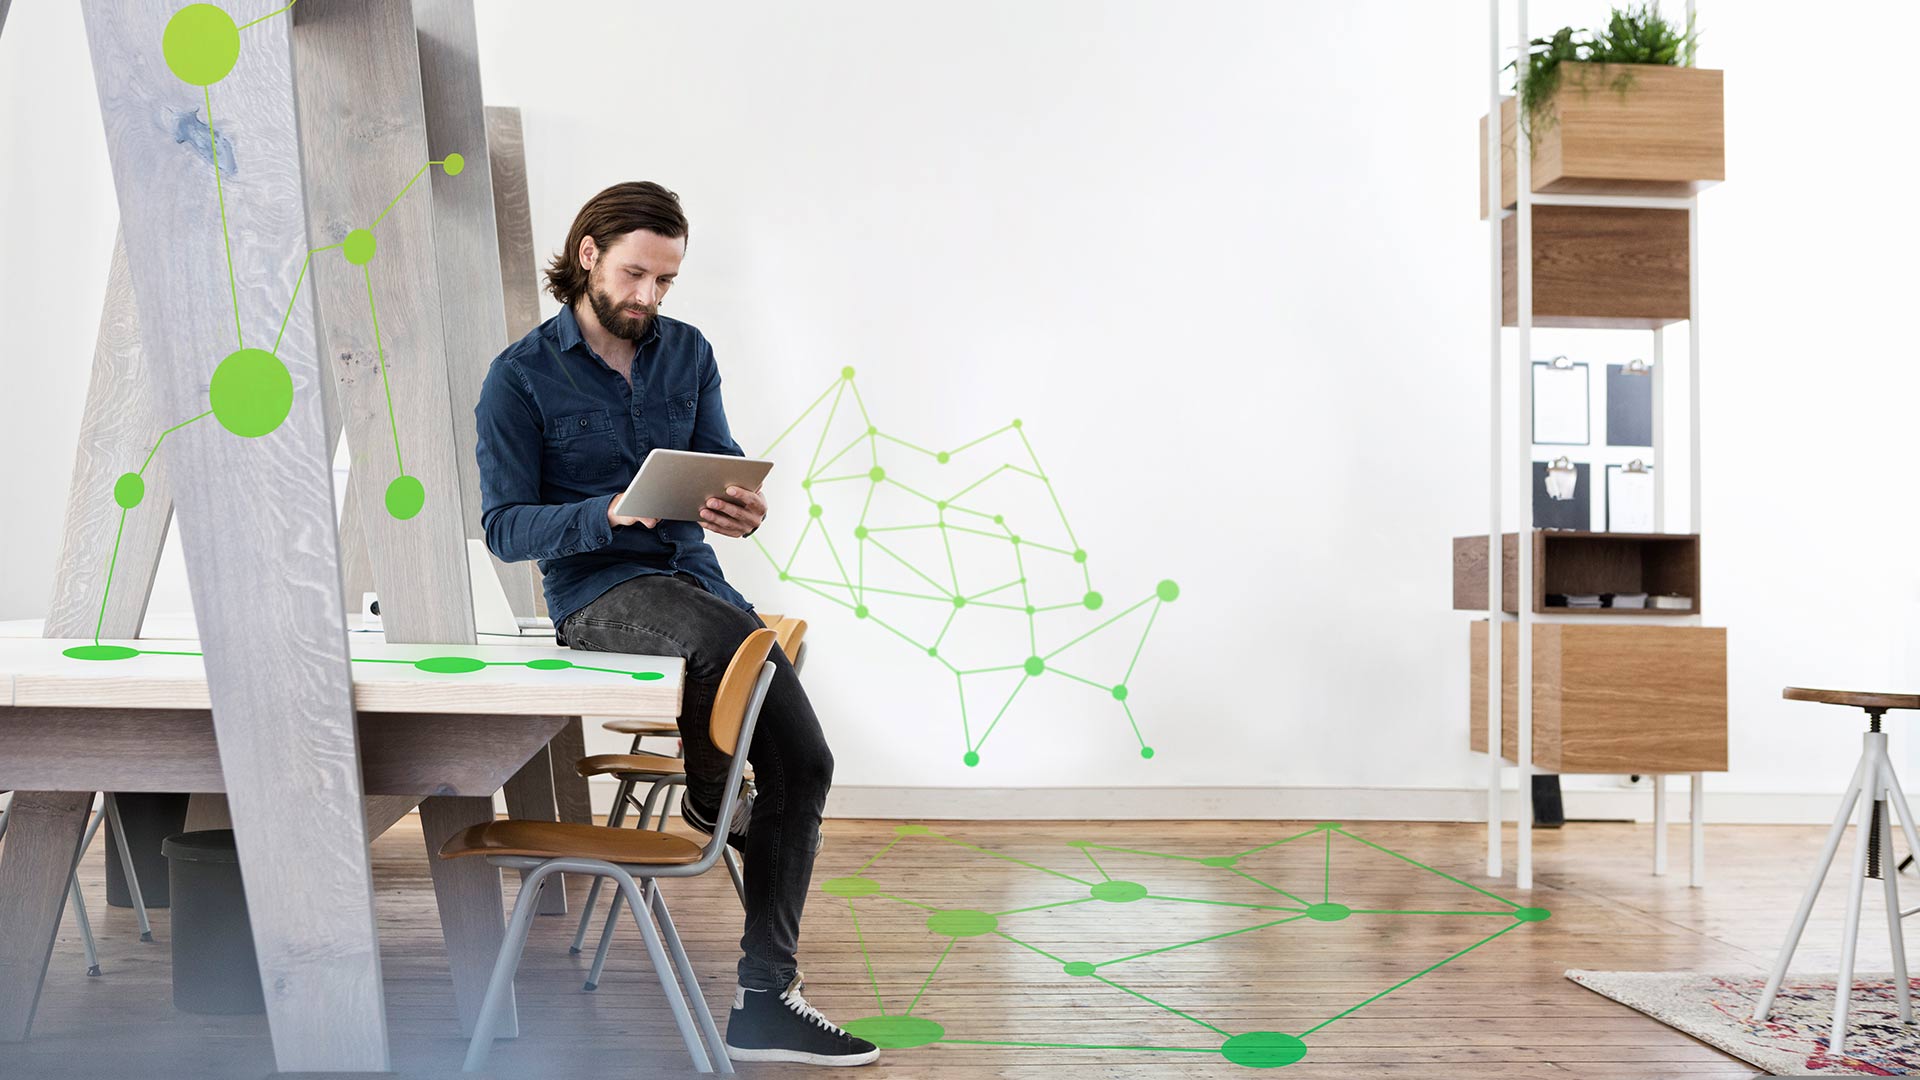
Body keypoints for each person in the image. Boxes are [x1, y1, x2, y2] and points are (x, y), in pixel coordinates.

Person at [474, 181, 878, 1067]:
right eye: (635, 275)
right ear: (588, 257)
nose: (649, 297)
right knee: (735, 644)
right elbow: (503, 527)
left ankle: (767, 999)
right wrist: (606, 513)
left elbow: (721, 464)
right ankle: (711, 797)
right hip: (595, 593)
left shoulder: (686, 353)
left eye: (665, 280)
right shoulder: (519, 377)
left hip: (693, 576)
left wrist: (737, 506)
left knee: (807, 764)